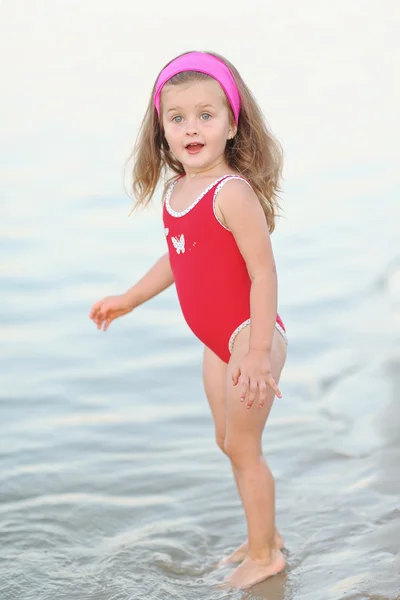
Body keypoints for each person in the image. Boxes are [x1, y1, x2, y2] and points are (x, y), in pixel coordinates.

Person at [89, 50, 288, 590]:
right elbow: (178, 258)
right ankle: (260, 534)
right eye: (177, 118)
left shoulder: (233, 193)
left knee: (245, 448)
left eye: (207, 114)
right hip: (215, 342)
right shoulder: (177, 192)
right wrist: (130, 298)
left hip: (250, 336)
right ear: (162, 131)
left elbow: (264, 274)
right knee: (228, 442)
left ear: (231, 124)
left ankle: (267, 555)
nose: (192, 127)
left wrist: (255, 350)